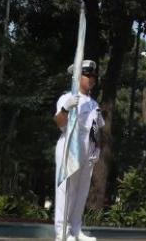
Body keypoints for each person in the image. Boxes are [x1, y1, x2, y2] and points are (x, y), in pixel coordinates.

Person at [54, 58, 102, 241]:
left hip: (87, 149)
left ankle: (76, 229)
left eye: (93, 76)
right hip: (69, 145)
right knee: (66, 189)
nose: (92, 79)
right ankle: (62, 231)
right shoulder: (67, 98)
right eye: (87, 75)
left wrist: (97, 148)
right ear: (77, 76)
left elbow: (97, 129)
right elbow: (59, 123)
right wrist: (66, 109)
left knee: (82, 191)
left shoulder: (94, 104)